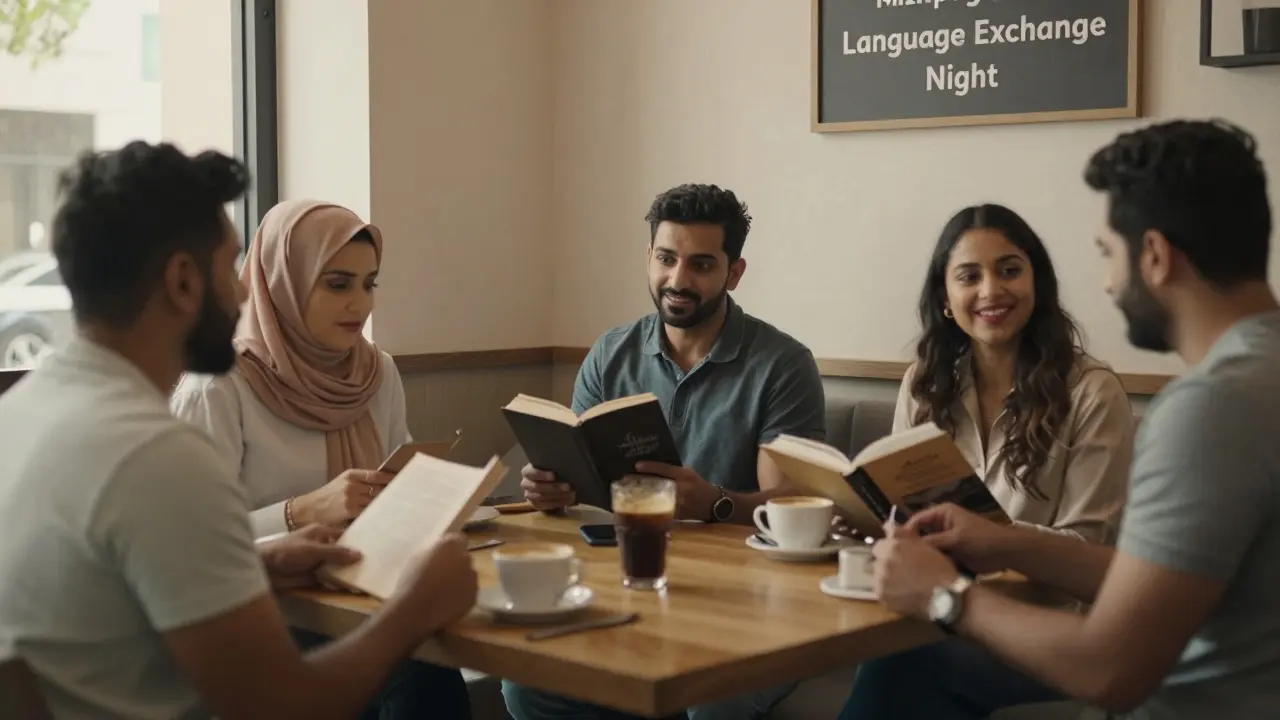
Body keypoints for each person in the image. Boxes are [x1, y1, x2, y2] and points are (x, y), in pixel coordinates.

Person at [0, 141, 478, 719]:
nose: (249, 288)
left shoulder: (25, 414)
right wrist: (415, 609)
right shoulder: (155, 454)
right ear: (182, 281)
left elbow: (103, 594)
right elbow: (283, 705)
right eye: (230, 267)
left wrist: (257, 565)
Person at [867, 118, 1280, 720]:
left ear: (1156, 256)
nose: (1109, 283)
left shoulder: (1209, 410)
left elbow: (1106, 669)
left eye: (1108, 254)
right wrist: (1005, 542)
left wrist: (944, 596)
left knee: (907, 667)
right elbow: (1151, 574)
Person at [505, 183, 827, 720]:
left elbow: (788, 503)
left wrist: (714, 502)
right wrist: (551, 489)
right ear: (649, 257)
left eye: (701, 264)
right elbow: (582, 479)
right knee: (528, 689)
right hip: (624, 585)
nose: (678, 280)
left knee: (707, 705)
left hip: (746, 602)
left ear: (735, 273)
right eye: (666, 258)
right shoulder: (611, 353)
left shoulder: (782, 364)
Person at [169, 198, 469, 718]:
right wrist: (297, 513)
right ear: (282, 283)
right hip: (266, 617)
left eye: (369, 283)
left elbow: (398, 481)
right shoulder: (219, 385)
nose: (361, 303)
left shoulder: (377, 373)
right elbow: (186, 550)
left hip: (371, 595)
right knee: (418, 667)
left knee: (430, 666)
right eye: (337, 284)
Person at [840, 205, 1136, 718]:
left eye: (1009, 270)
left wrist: (993, 542)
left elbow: (1092, 552)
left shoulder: (1092, 392)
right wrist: (863, 515)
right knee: (897, 654)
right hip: (938, 610)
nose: (991, 291)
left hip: (1049, 633)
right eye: (969, 276)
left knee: (905, 665)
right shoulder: (924, 381)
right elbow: (901, 512)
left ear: (1036, 283)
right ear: (945, 298)